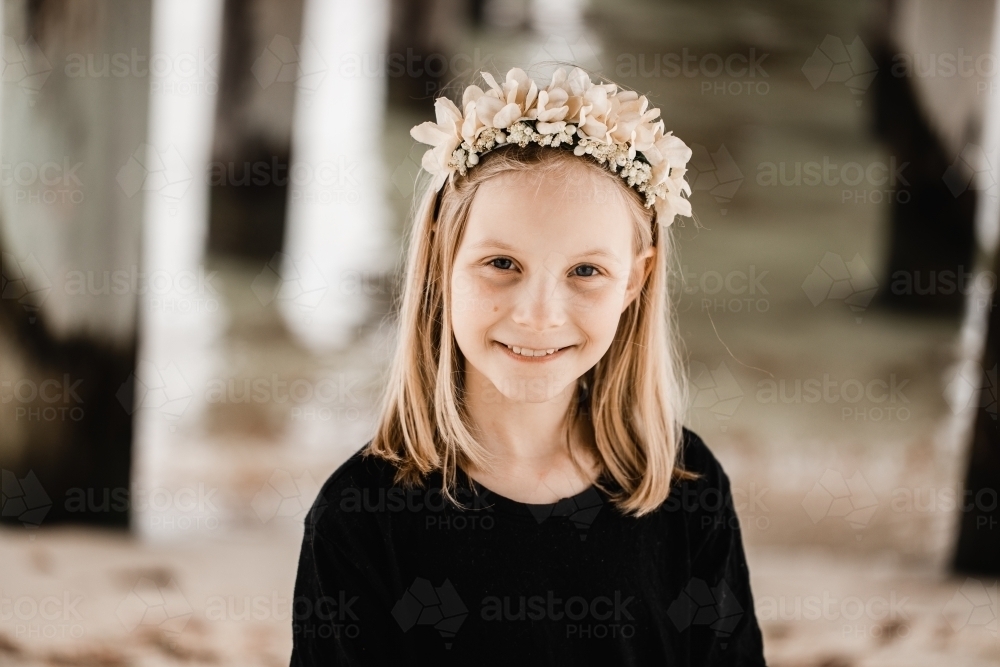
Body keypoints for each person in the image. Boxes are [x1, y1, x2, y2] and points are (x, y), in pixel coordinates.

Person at [290, 66, 766, 666]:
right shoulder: (361, 519)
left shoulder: (685, 487)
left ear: (634, 280)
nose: (539, 316)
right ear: (441, 254)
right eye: (502, 264)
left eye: (585, 272)